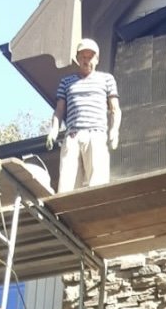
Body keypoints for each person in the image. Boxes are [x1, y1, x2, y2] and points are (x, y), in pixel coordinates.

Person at [46, 38, 121, 193]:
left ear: (97, 59)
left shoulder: (106, 79)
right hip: (73, 135)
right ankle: (68, 212)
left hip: (96, 133)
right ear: (77, 59)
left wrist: (114, 130)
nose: (86, 61)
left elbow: (115, 108)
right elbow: (59, 110)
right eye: (83, 57)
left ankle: (97, 209)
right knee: (68, 183)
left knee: (97, 180)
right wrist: (54, 129)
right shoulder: (66, 82)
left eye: (90, 57)